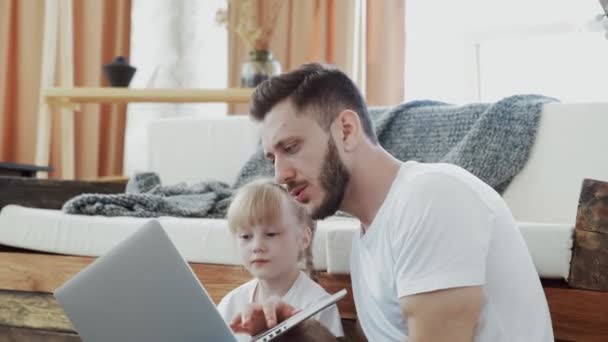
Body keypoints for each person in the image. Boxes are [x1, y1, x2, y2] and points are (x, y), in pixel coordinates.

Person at [230, 63, 554, 341]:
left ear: (346, 130)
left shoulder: (430, 198)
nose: (280, 174)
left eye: (292, 147)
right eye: (272, 157)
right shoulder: (368, 234)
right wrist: (300, 332)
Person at [218, 178, 344, 341]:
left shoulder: (318, 304)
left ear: (304, 239)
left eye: (270, 234)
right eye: (245, 236)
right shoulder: (231, 303)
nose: (257, 246)